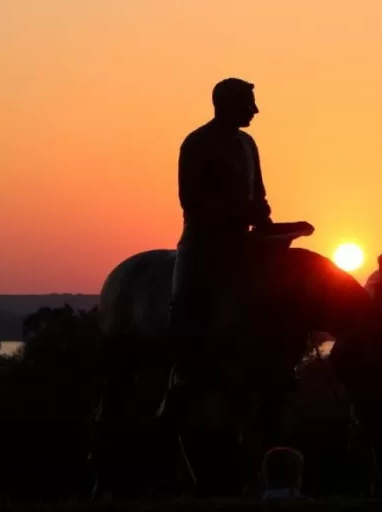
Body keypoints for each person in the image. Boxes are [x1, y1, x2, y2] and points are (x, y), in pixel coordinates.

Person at [156, 78, 274, 481]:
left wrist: (266, 221)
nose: (255, 111)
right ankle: (183, 365)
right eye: (250, 103)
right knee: (188, 303)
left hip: (242, 241)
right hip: (204, 243)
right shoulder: (197, 143)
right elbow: (192, 200)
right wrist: (238, 217)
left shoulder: (248, 145)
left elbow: (258, 194)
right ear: (228, 104)